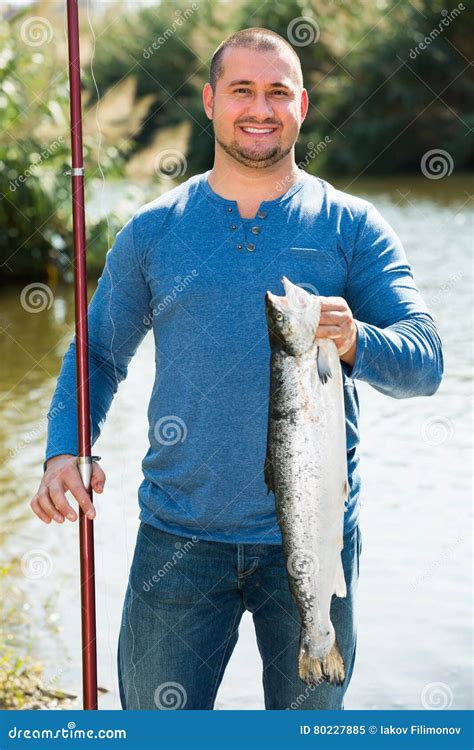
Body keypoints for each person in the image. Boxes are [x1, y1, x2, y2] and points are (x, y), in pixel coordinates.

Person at [31, 28, 443, 710]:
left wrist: (355, 340)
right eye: (242, 90)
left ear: (302, 105)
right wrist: (63, 449)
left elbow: (426, 363)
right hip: (179, 542)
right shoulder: (155, 230)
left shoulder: (352, 226)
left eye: (278, 92)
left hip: (313, 544)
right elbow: (98, 354)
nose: (261, 107)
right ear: (210, 101)